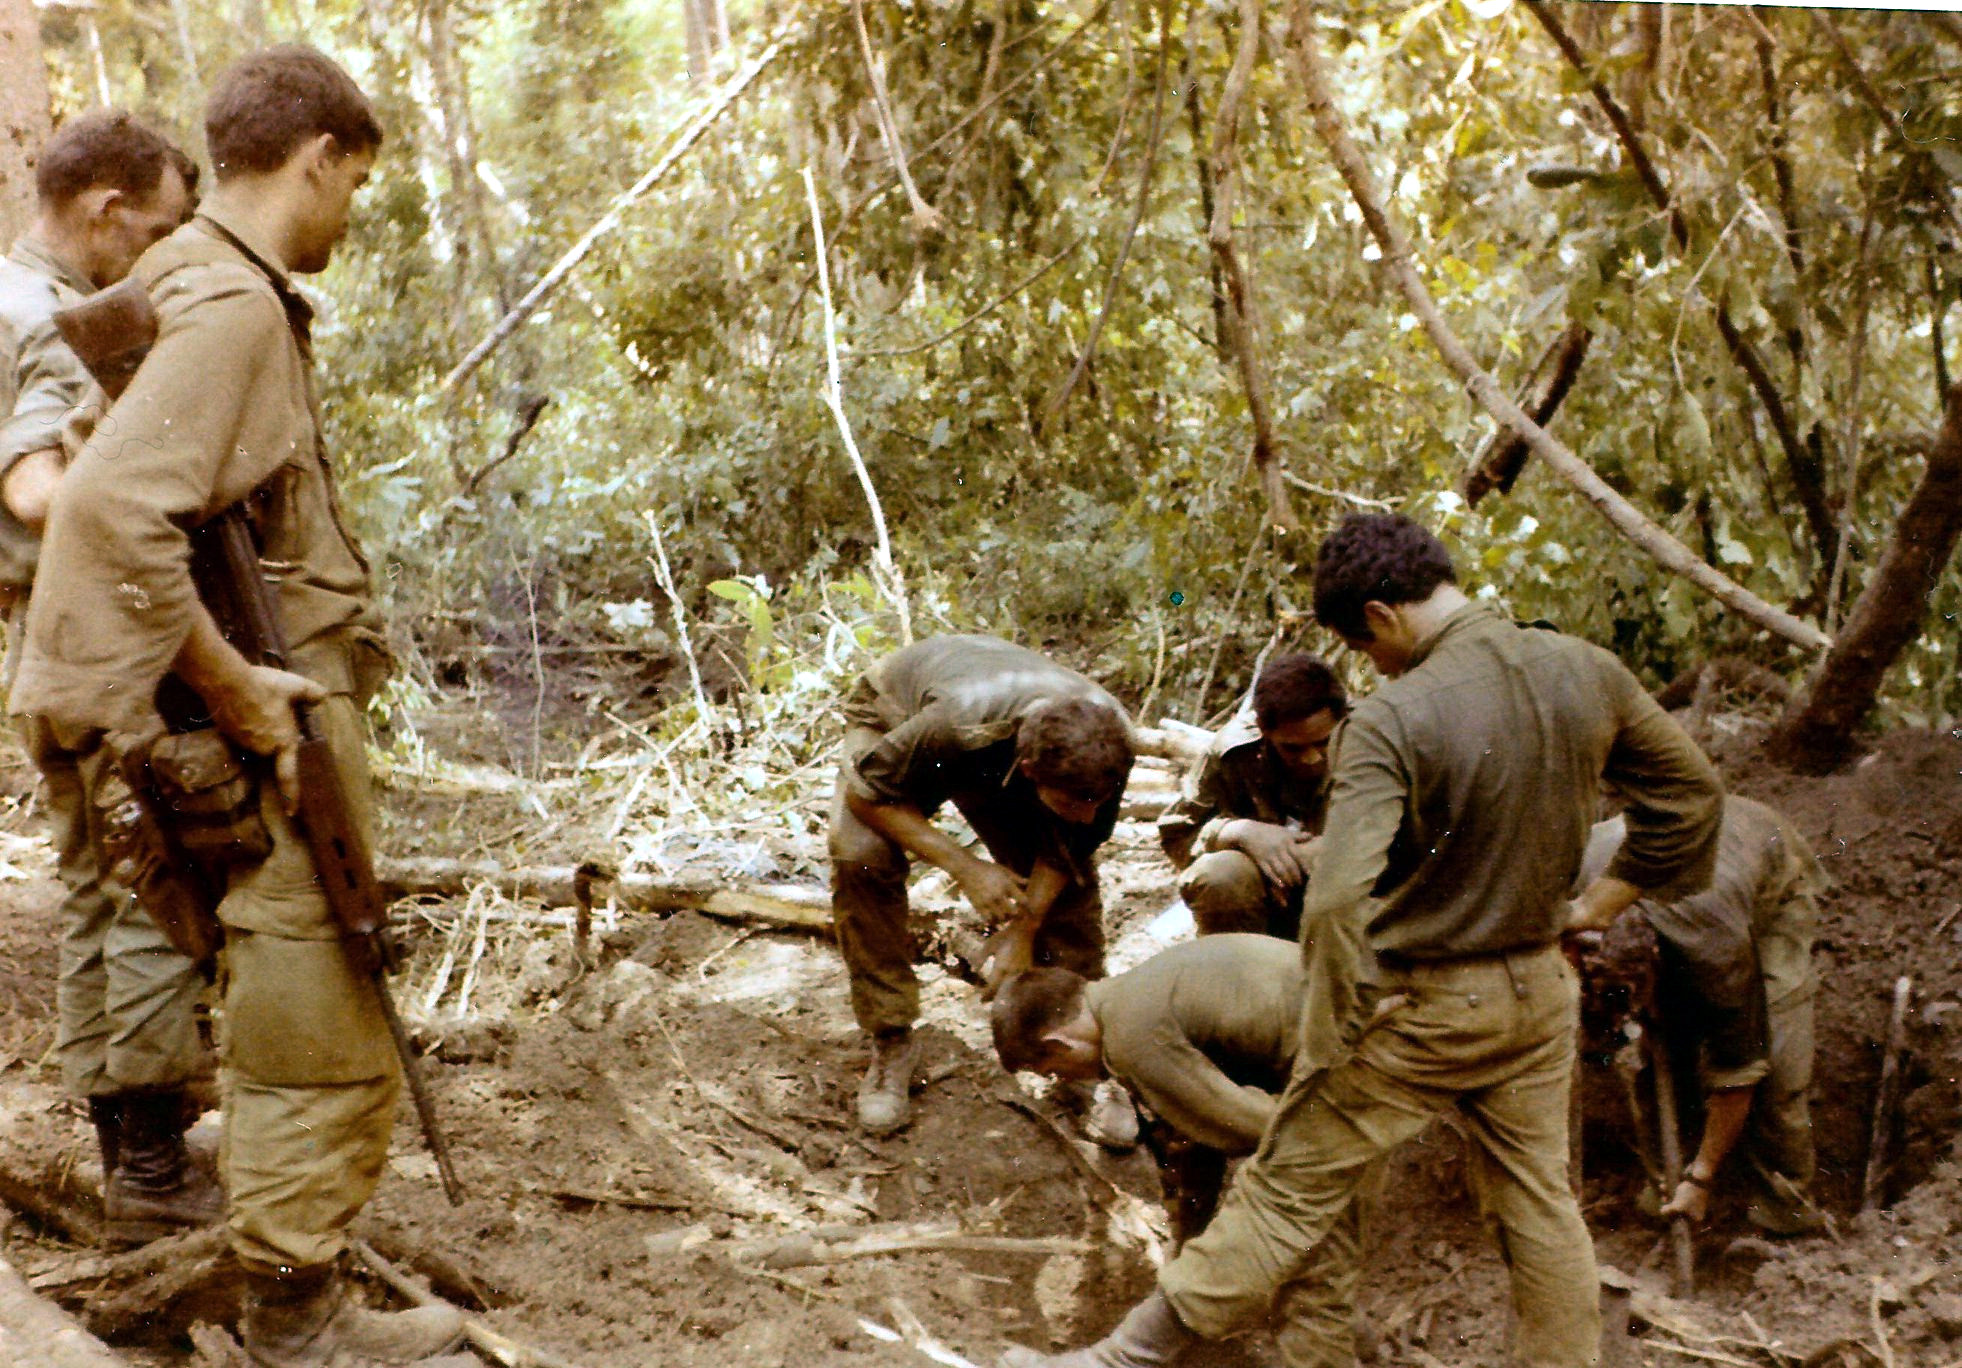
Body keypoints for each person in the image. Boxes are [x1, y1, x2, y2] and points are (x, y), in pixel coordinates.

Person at [1002, 513, 1724, 1368]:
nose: (1372, 665)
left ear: (1381, 614)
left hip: (1423, 1004)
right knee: (1541, 1209)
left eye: (1363, 646)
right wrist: (1595, 906)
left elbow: (1339, 899)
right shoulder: (1585, 671)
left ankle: (1115, 1363)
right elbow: (1694, 800)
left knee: (1284, 1192)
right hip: (1538, 996)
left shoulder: (1393, 718)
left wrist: (1330, 1037)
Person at [10, 47, 470, 1368]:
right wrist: (236, 687)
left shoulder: (172, 277)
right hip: (239, 726)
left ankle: (272, 1275)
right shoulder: (233, 304)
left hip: (162, 715)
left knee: (275, 991)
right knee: (317, 1008)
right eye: (355, 182)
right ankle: (299, 1318)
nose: (350, 212)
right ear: (317, 156)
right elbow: (104, 512)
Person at [0, 109, 212, 1246]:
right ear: (103, 209)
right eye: (159, 229)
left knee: (97, 881)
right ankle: (152, 1168)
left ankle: (128, 1148)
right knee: (148, 878)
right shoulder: (50, 319)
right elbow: (36, 491)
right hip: (91, 632)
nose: (162, 252)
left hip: (40, 639)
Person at [992, 936, 1367, 1367]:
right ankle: (1362, 1350)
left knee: (1297, 1261)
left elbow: (1269, 1132)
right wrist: (1189, 1241)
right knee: (1311, 1262)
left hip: (1352, 1079)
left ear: (1060, 1045)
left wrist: (1209, 1262)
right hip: (1350, 1051)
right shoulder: (1136, 998)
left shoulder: (1132, 1039)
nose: (1068, 1078)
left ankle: (1118, 1360)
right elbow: (1199, 1145)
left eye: (1055, 1070)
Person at [829, 633, 1135, 1140]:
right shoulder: (956, 723)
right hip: (900, 716)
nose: (1090, 816)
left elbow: (1069, 844)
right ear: (1029, 773)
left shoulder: (1110, 738)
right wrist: (968, 868)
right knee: (861, 856)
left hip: (1004, 742)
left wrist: (1023, 928)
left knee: (1070, 892)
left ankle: (1076, 1052)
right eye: (1076, 803)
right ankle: (891, 1039)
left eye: (1097, 802)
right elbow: (869, 796)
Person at [1578, 795, 1823, 1235]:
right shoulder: (1576, 896)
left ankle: (1785, 1211)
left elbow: (1741, 1067)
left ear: (1658, 959)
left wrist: (1702, 1176)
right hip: (1681, 867)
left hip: (1767, 882)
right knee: (1655, 1048)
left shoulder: (1715, 949)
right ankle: (1665, 1186)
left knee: (1777, 1058)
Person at [1157, 653, 1346, 940]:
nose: (1310, 759)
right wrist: (1239, 833)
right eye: (1293, 749)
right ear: (1263, 730)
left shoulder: (1379, 738)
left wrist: (1332, 851)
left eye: (1323, 743)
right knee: (1220, 875)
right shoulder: (1235, 752)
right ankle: (1242, 976)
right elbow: (1178, 833)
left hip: (1358, 901)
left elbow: (1425, 837)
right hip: (1266, 905)